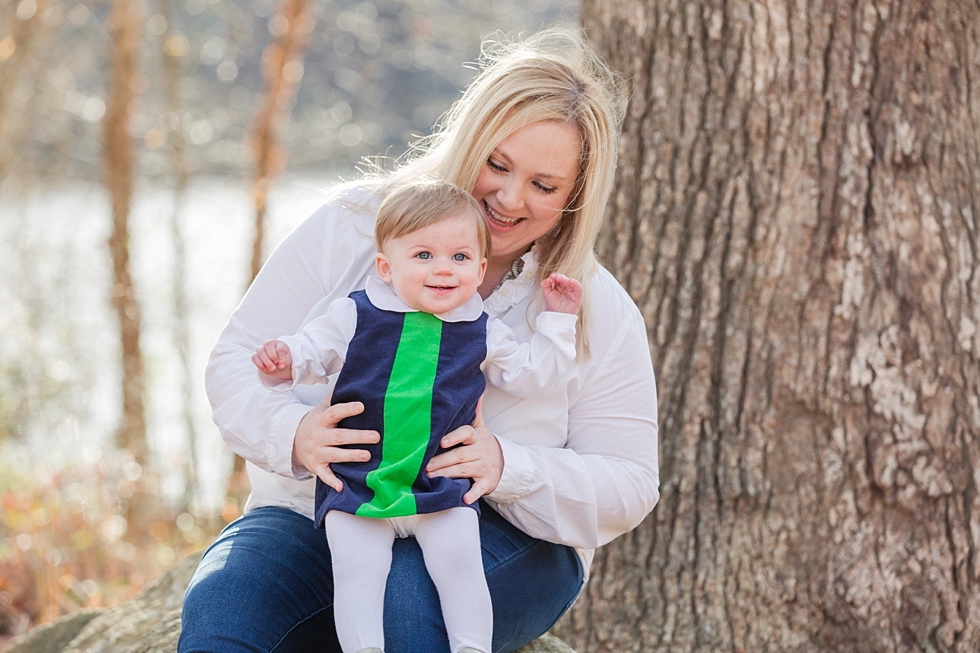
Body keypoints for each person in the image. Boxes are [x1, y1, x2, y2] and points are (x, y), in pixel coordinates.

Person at [179, 27, 660, 653]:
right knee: (224, 608)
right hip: (326, 508)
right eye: (498, 163)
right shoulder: (353, 228)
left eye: (544, 186)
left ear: (574, 198)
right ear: (470, 142)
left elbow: (630, 482)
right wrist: (292, 432)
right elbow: (236, 363)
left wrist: (508, 467)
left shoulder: (589, 306)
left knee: (410, 602)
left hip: (503, 531)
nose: (510, 198)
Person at [251, 180, 583, 653]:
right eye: (423, 255)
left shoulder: (480, 328)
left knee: (461, 567)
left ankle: (472, 648)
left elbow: (533, 375)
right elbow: (310, 351)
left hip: (438, 482)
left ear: (481, 267)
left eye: (460, 258)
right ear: (387, 267)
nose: (443, 269)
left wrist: (558, 320)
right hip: (359, 480)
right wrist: (282, 362)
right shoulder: (356, 314)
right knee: (358, 574)